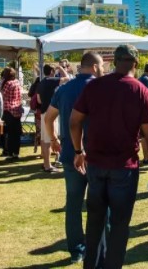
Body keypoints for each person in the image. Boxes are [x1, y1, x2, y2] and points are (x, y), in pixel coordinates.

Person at [70, 45, 148, 269]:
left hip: (95, 164)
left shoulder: (95, 86)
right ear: (136, 62)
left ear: (114, 61)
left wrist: (77, 151)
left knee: (95, 223)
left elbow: (74, 121)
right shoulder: (142, 92)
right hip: (124, 167)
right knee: (120, 227)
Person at [47, 52, 104, 265]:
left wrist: (53, 138)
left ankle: (77, 250)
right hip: (96, 155)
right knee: (100, 203)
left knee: (73, 204)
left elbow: (49, 117)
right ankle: (98, 246)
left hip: (71, 153)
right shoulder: (101, 88)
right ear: (96, 67)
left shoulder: (64, 89)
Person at [36, 65, 61, 173]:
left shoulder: (41, 82)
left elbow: (39, 99)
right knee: (49, 139)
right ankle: (47, 165)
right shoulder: (51, 80)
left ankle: (47, 163)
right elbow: (68, 79)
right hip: (50, 113)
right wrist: (62, 68)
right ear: (51, 71)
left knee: (44, 139)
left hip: (43, 112)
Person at [1, 68, 23, 160]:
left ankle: (9, 153)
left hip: (8, 109)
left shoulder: (7, 84)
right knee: (16, 133)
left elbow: (2, 95)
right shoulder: (17, 82)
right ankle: (16, 153)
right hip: (17, 109)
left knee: (10, 133)